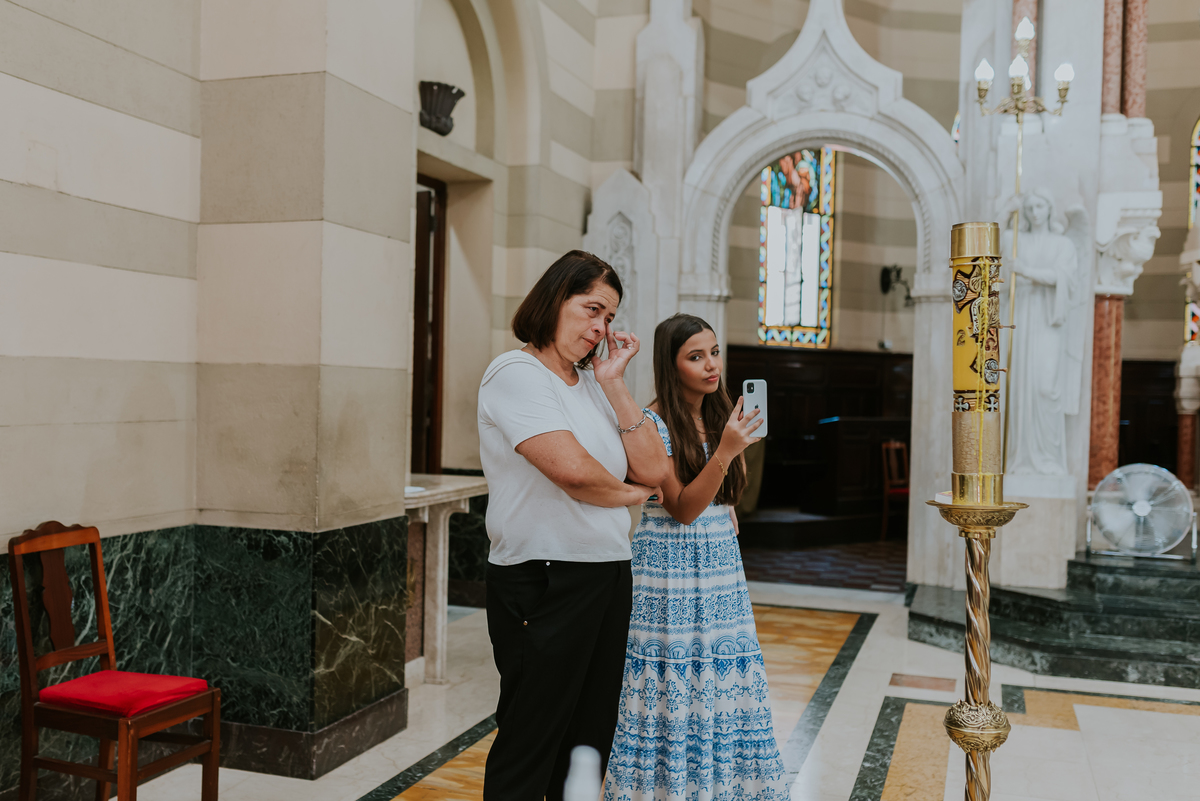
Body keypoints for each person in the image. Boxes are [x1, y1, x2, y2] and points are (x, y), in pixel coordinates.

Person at [477, 250, 670, 801]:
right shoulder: (515, 373)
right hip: (542, 578)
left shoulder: (590, 383)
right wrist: (638, 494)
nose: (600, 328)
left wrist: (613, 383)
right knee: (531, 738)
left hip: (607, 573)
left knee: (589, 740)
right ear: (554, 300)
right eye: (591, 309)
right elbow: (575, 474)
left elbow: (656, 465)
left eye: (609, 317)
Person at [605, 313, 787, 801]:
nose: (712, 366)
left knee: (722, 674)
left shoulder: (721, 411)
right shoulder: (652, 424)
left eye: (714, 352)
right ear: (671, 364)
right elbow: (683, 508)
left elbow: (725, 495)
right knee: (674, 681)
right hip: (670, 566)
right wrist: (726, 450)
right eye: (695, 356)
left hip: (720, 565)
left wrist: (728, 486)